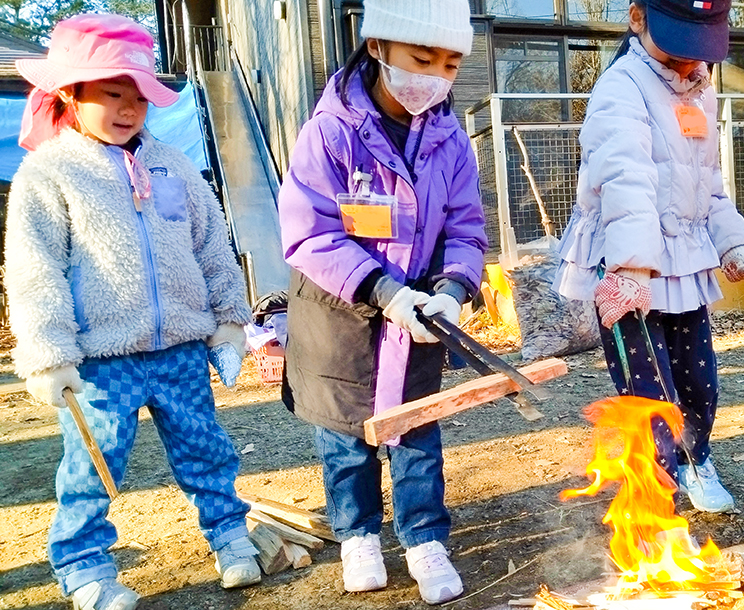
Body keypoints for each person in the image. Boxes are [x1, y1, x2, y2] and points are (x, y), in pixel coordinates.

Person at [5, 14, 261, 610]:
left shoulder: (173, 164)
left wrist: (228, 318)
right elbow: (33, 269)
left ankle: (228, 534)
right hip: (100, 356)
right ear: (70, 94)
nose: (128, 109)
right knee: (93, 467)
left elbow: (211, 242)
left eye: (138, 98)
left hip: (179, 345)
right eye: (111, 95)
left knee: (205, 446)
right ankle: (84, 566)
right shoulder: (49, 173)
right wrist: (49, 354)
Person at [276, 0, 486, 604]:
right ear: (377, 49)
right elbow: (310, 234)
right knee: (346, 438)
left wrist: (452, 290)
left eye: (450, 64)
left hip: (418, 317)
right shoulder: (329, 132)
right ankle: (358, 536)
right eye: (422, 58)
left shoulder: (451, 141)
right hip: (339, 313)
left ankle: (425, 539)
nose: (436, 75)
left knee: (417, 433)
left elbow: (466, 230)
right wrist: (387, 293)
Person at [553, 0, 744, 514]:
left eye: (702, 48)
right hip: (631, 268)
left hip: (684, 264)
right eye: (679, 47)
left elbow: (708, 183)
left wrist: (732, 240)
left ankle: (696, 459)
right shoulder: (621, 87)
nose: (691, 62)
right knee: (649, 392)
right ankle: (656, 489)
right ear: (637, 18)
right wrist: (629, 269)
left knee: (699, 380)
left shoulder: (702, 89)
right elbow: (625, 177)